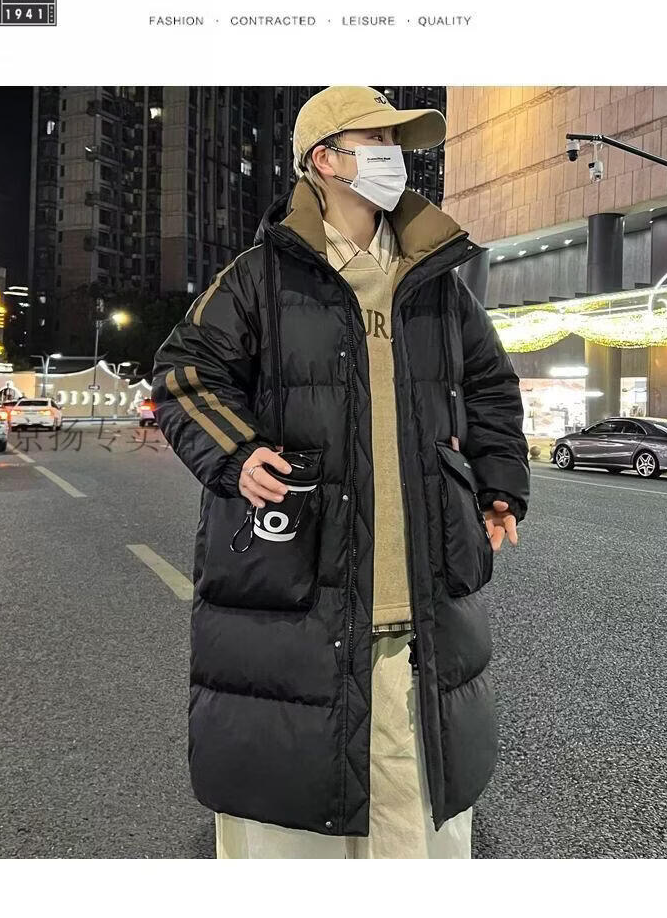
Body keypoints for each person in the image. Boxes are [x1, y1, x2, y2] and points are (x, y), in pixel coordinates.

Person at [152, 86, 530, 858]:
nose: (397, 158)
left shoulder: (436, 281)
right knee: (295, 825)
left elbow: (491, 385)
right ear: (326, 160)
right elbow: (184, 376)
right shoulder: (262, 276)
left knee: (415, 832)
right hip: (299, 594)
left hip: (419, 603)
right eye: (378, 141)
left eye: (399, 144)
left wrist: (499, 484)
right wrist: (237, 450)